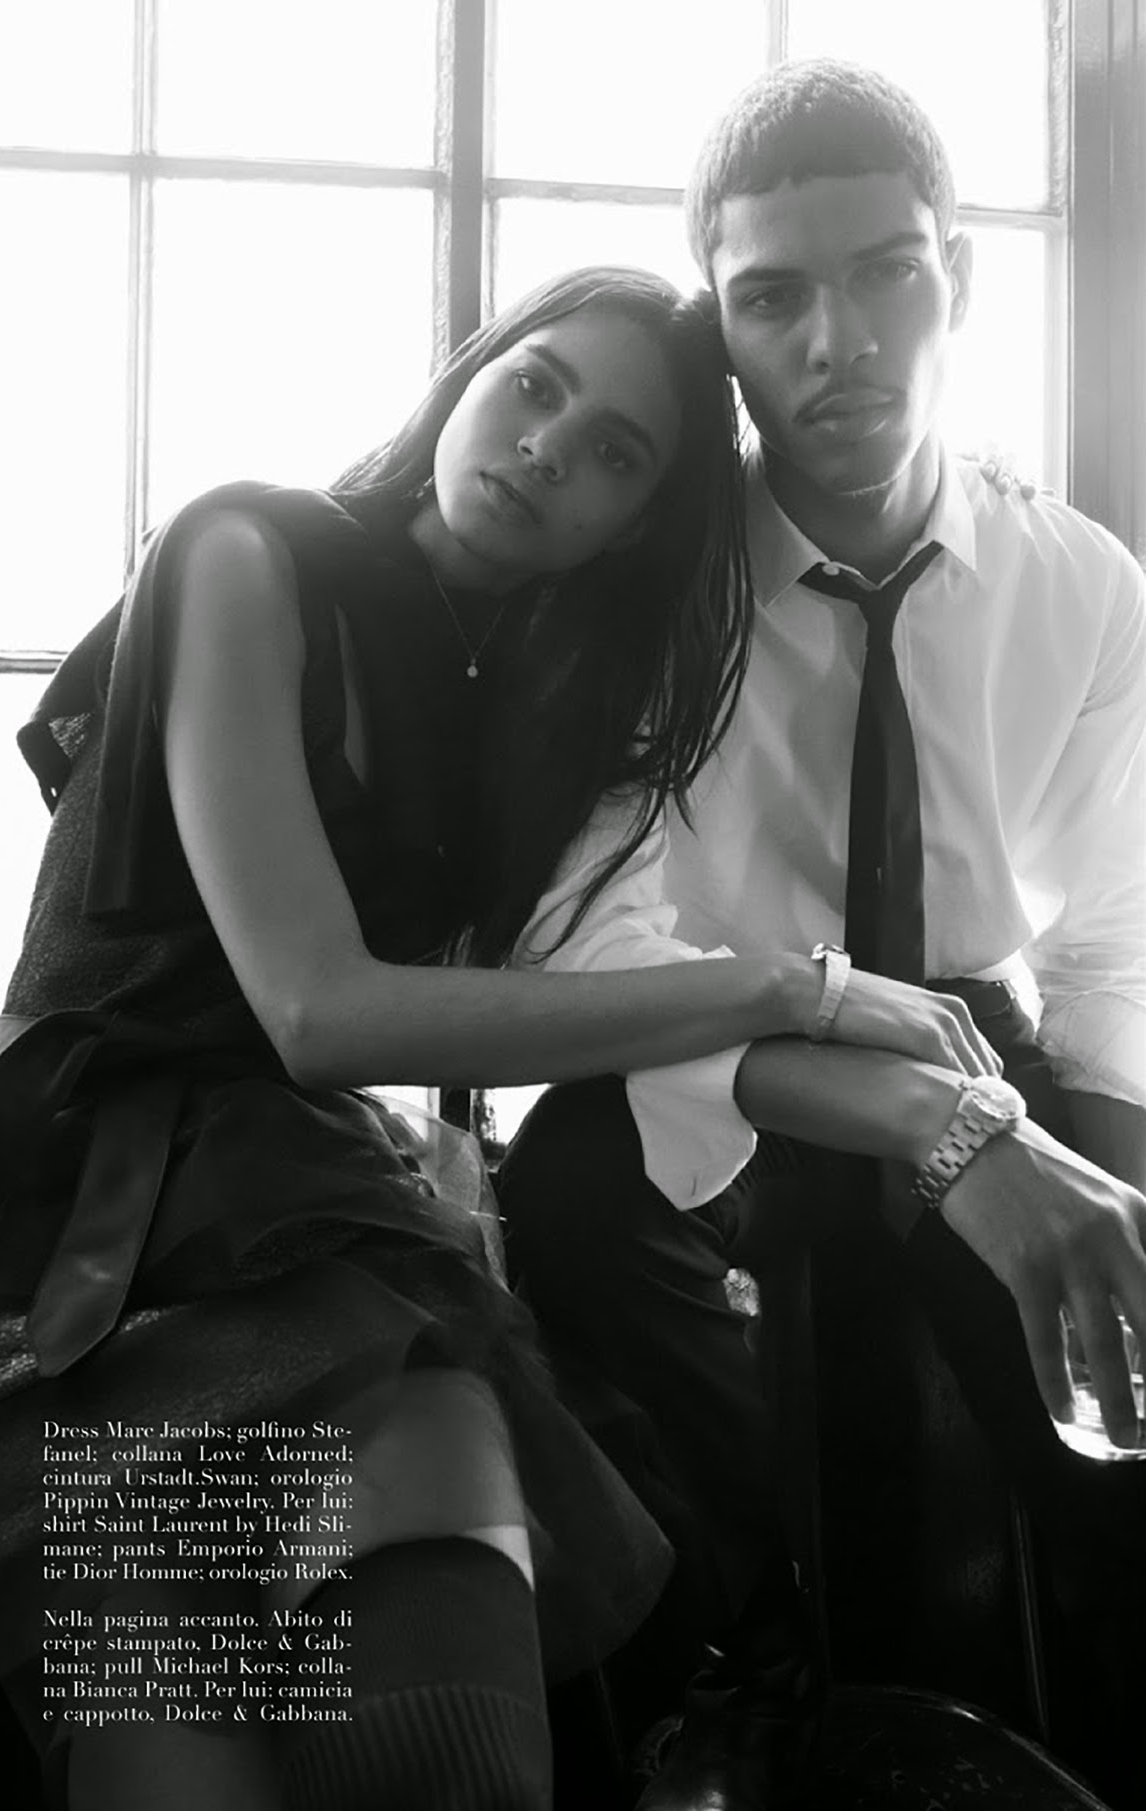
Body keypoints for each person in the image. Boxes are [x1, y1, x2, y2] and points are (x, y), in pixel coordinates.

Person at [0, 265, 999, 1811]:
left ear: (633, 525)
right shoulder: (245, 545)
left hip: (315, 1210)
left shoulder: (519, 699)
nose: (547, 448)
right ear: (472, 370)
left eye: (615, 453)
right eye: (536, 386)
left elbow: (580, 970)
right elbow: (318, 1012)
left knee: (451, 1735)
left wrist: (954, 1119)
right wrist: (798, 986)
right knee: (186, 1732)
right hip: (91, 1211)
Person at [499, 64, 1146, 1811]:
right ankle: (759, 1645)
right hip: (721, 1044)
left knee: (1115, 1440)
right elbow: (580, 945)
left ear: (961, 280)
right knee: (572, 1196)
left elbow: (1106, 954)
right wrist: (945, 1132)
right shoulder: (648, 579)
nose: (835, 341)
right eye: (773, 295)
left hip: (975, 1030)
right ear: (718, 324)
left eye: (886, 274)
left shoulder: (1083, 583)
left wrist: (1099, 1188)